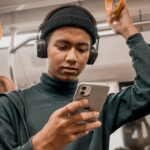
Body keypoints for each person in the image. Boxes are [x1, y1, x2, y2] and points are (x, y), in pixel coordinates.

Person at [0, 3, 150, 150]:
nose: (72, 57)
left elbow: (147, 91)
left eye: (82, 49)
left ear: (91, 55)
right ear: (43, 48)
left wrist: (129, 32)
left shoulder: (101, 108)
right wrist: (41, 144)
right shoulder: (10, 106)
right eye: (62, 47)